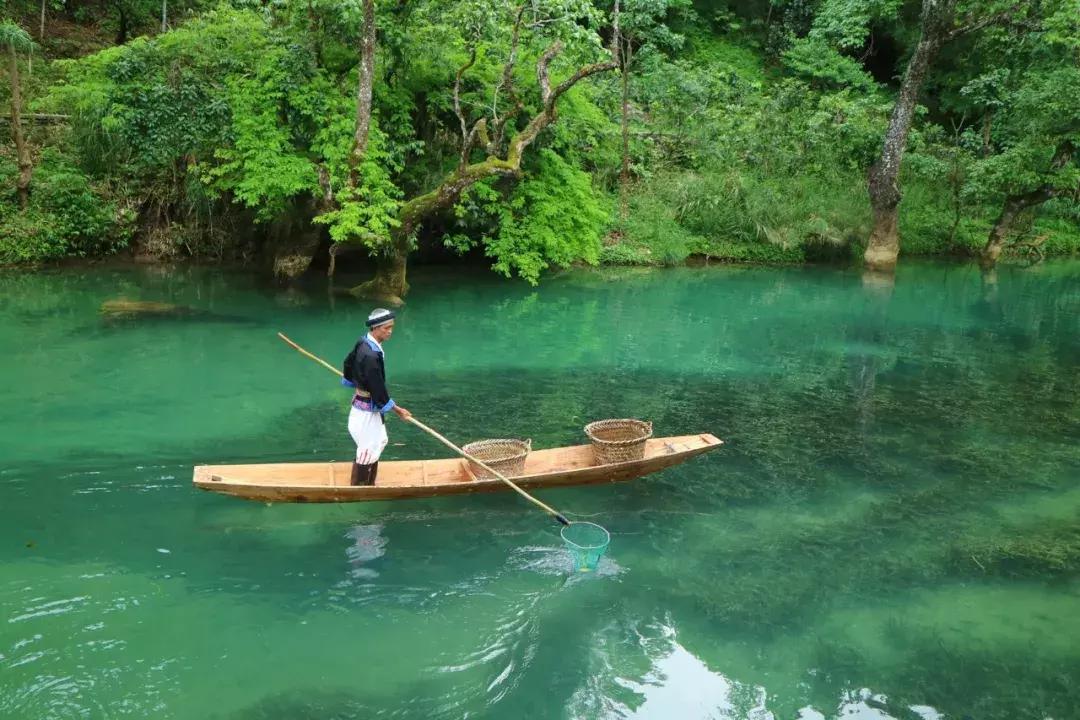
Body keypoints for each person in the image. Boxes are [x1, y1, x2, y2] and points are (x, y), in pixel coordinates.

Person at [343, 308, 412, 486]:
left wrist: (351, 379)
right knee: (366, 450)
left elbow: (348, 362)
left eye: (391, 327)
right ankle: (358, 487)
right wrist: (398, 410)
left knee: (381, 440)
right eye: (385, 328)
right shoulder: (371, 356)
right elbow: (377, 388)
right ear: (375, 328)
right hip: (366, 409)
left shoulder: (364, 342)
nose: (389, 332)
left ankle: (370, 483)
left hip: (366, 404)